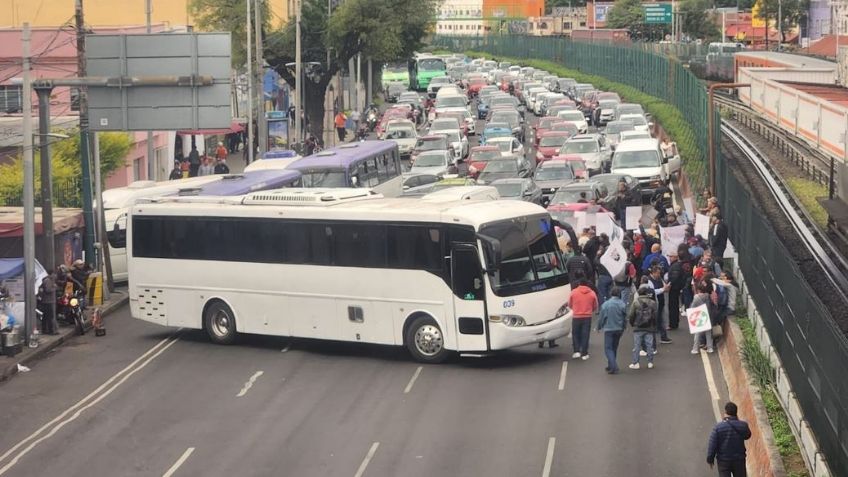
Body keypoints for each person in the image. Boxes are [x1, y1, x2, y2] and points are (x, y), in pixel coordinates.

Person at [707, 401, 751, 476]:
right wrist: (738, 420)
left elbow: (712, 445)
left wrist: (710, 459)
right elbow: (747, 436)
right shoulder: (743, 425)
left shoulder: (718, 428)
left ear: (726, 412)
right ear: (736, 412)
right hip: (739, 460)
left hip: (723, 461)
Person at [597, 286, 627, 374]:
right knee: (614, 348)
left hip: (609, 329)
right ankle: (610, 365)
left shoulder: (606, 304)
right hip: (619, 329)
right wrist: (624, 327)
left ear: (611, 294)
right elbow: (625, 317)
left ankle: (613, 366)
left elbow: (602, 318)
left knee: (608, 348)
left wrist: (599, 327)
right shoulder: (622, 304)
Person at [628, 284, 658, 369]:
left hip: (638, 327)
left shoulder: (636, 302)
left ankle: (636, 363)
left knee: (637, 346)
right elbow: (655, 315)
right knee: (649, 345)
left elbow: (631, 315)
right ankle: (650, 362)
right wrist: (654, 325)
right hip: (649, 326)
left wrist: (632, 323)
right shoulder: (652, 302)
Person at [568, 278, 598, 360]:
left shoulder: (573, 292)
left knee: (575, 334)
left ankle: (576, 351)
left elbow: (569, 304)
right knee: (585, 334)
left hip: (576, 316)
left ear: (579, 284)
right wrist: (590, 310)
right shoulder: (592, 293)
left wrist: (575, 308)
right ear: (587, 284)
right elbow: (595, 305)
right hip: (587, 316)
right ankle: (584, 353)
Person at [691, 281, 715, 354]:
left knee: (697, 333)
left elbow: (692, 307)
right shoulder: (708, 296)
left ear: (698, 290)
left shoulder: (696, 297)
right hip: (707, 315)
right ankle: (710, 348)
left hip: (699, 316)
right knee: (708, 333)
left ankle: (695, 349)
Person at [667, 249, 686, 332]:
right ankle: (674, 323)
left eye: (671, 256)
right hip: (676, 288)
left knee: (673, 306)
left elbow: (674, 277)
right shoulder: (676, 265)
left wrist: (669, 284)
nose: (669, 258)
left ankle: (673, 324)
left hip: (674, 288)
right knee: (674, 305)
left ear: (675, 257)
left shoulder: (675, 266)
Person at [37, 270, 58, 335]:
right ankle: (51, 331)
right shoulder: (47, 281)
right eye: (54, 274)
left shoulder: (51, 280)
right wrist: (54, 288)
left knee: (46, 316)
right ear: (51, 274)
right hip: (48, 301)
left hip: (49, 301)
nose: (55, 276)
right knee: (49, 317)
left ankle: (46, 330)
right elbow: (48, 290)